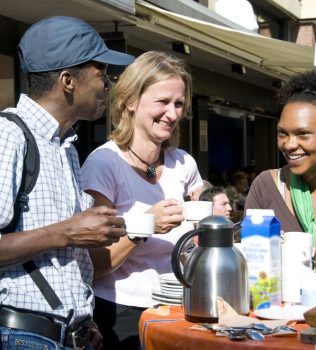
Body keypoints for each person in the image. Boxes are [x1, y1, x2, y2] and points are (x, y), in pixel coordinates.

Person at [0, 16, 133, 350]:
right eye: (102, 74)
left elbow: (61, 258)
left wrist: (82, 320)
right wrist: (67, 231)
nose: (108, 85)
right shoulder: (9, 135)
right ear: (67, 80)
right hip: (21, 335)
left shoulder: (65, 147)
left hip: (66, 336)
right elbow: (63, 234)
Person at [80, 51, 203, 349]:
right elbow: (93, 263)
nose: (172, 114)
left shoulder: (182, 163)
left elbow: (202, 223)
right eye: (162, 102)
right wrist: (144, 225)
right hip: (121, 312)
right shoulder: (105, 163)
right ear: (130, 101)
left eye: (178, 104)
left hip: (178, 305)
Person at [244, 70, 316, 247]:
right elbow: (251, 260)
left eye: (303, 134)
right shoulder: (265, 187)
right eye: (282, 133)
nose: (290, 144)